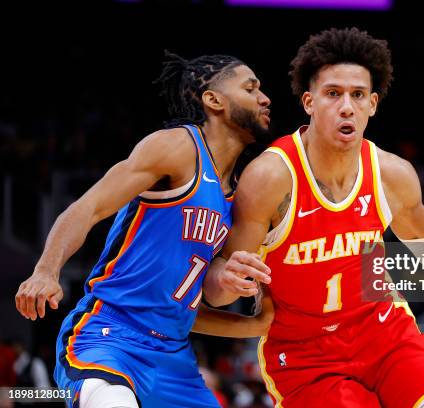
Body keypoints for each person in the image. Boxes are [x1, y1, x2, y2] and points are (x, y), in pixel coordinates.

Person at [203, 28, 424, 407]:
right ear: (309, 102)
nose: (347, 106)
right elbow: (216, 288)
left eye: (357, 95)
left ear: (372, 104)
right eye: (333, 94)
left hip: (385, 336)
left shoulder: (391, 174)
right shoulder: (270, 178)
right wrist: (227, 282)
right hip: (306, 356)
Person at [15, 51, 272, 408]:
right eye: (251, 88)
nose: (265, 98)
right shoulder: (178, 148)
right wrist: (46, 270)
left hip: (173, 354)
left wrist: (242, 302)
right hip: (110, 336)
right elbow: (88, 207)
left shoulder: (238, 194)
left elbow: (202, 299)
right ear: (214, 100)